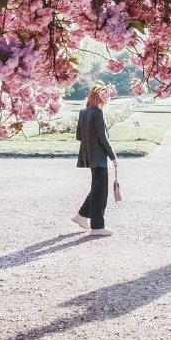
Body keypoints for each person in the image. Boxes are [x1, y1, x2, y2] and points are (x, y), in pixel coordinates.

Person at [72, 84, 117, 237]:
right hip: (99, 157)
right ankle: (97, 227)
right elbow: (103, 138)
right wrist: (113, 156)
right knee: (101, 192)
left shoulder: (83, 112)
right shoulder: (98, 113)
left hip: (89, 156)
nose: (107, 98)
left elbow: (79, 136)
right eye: (105, 94)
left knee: (97, 188)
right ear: (99, 96)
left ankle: (81, 216)